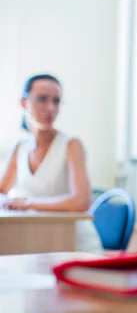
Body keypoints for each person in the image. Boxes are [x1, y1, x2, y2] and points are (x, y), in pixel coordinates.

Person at [0, 74, 103, 254]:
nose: (50, 108)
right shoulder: (20, 148)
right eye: (42, 99)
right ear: (24, 102)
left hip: (74, 243)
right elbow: (2, 191)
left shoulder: (71, 145)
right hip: (38, 240)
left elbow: (81, 202)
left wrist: (28, 203)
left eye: (56, 101)